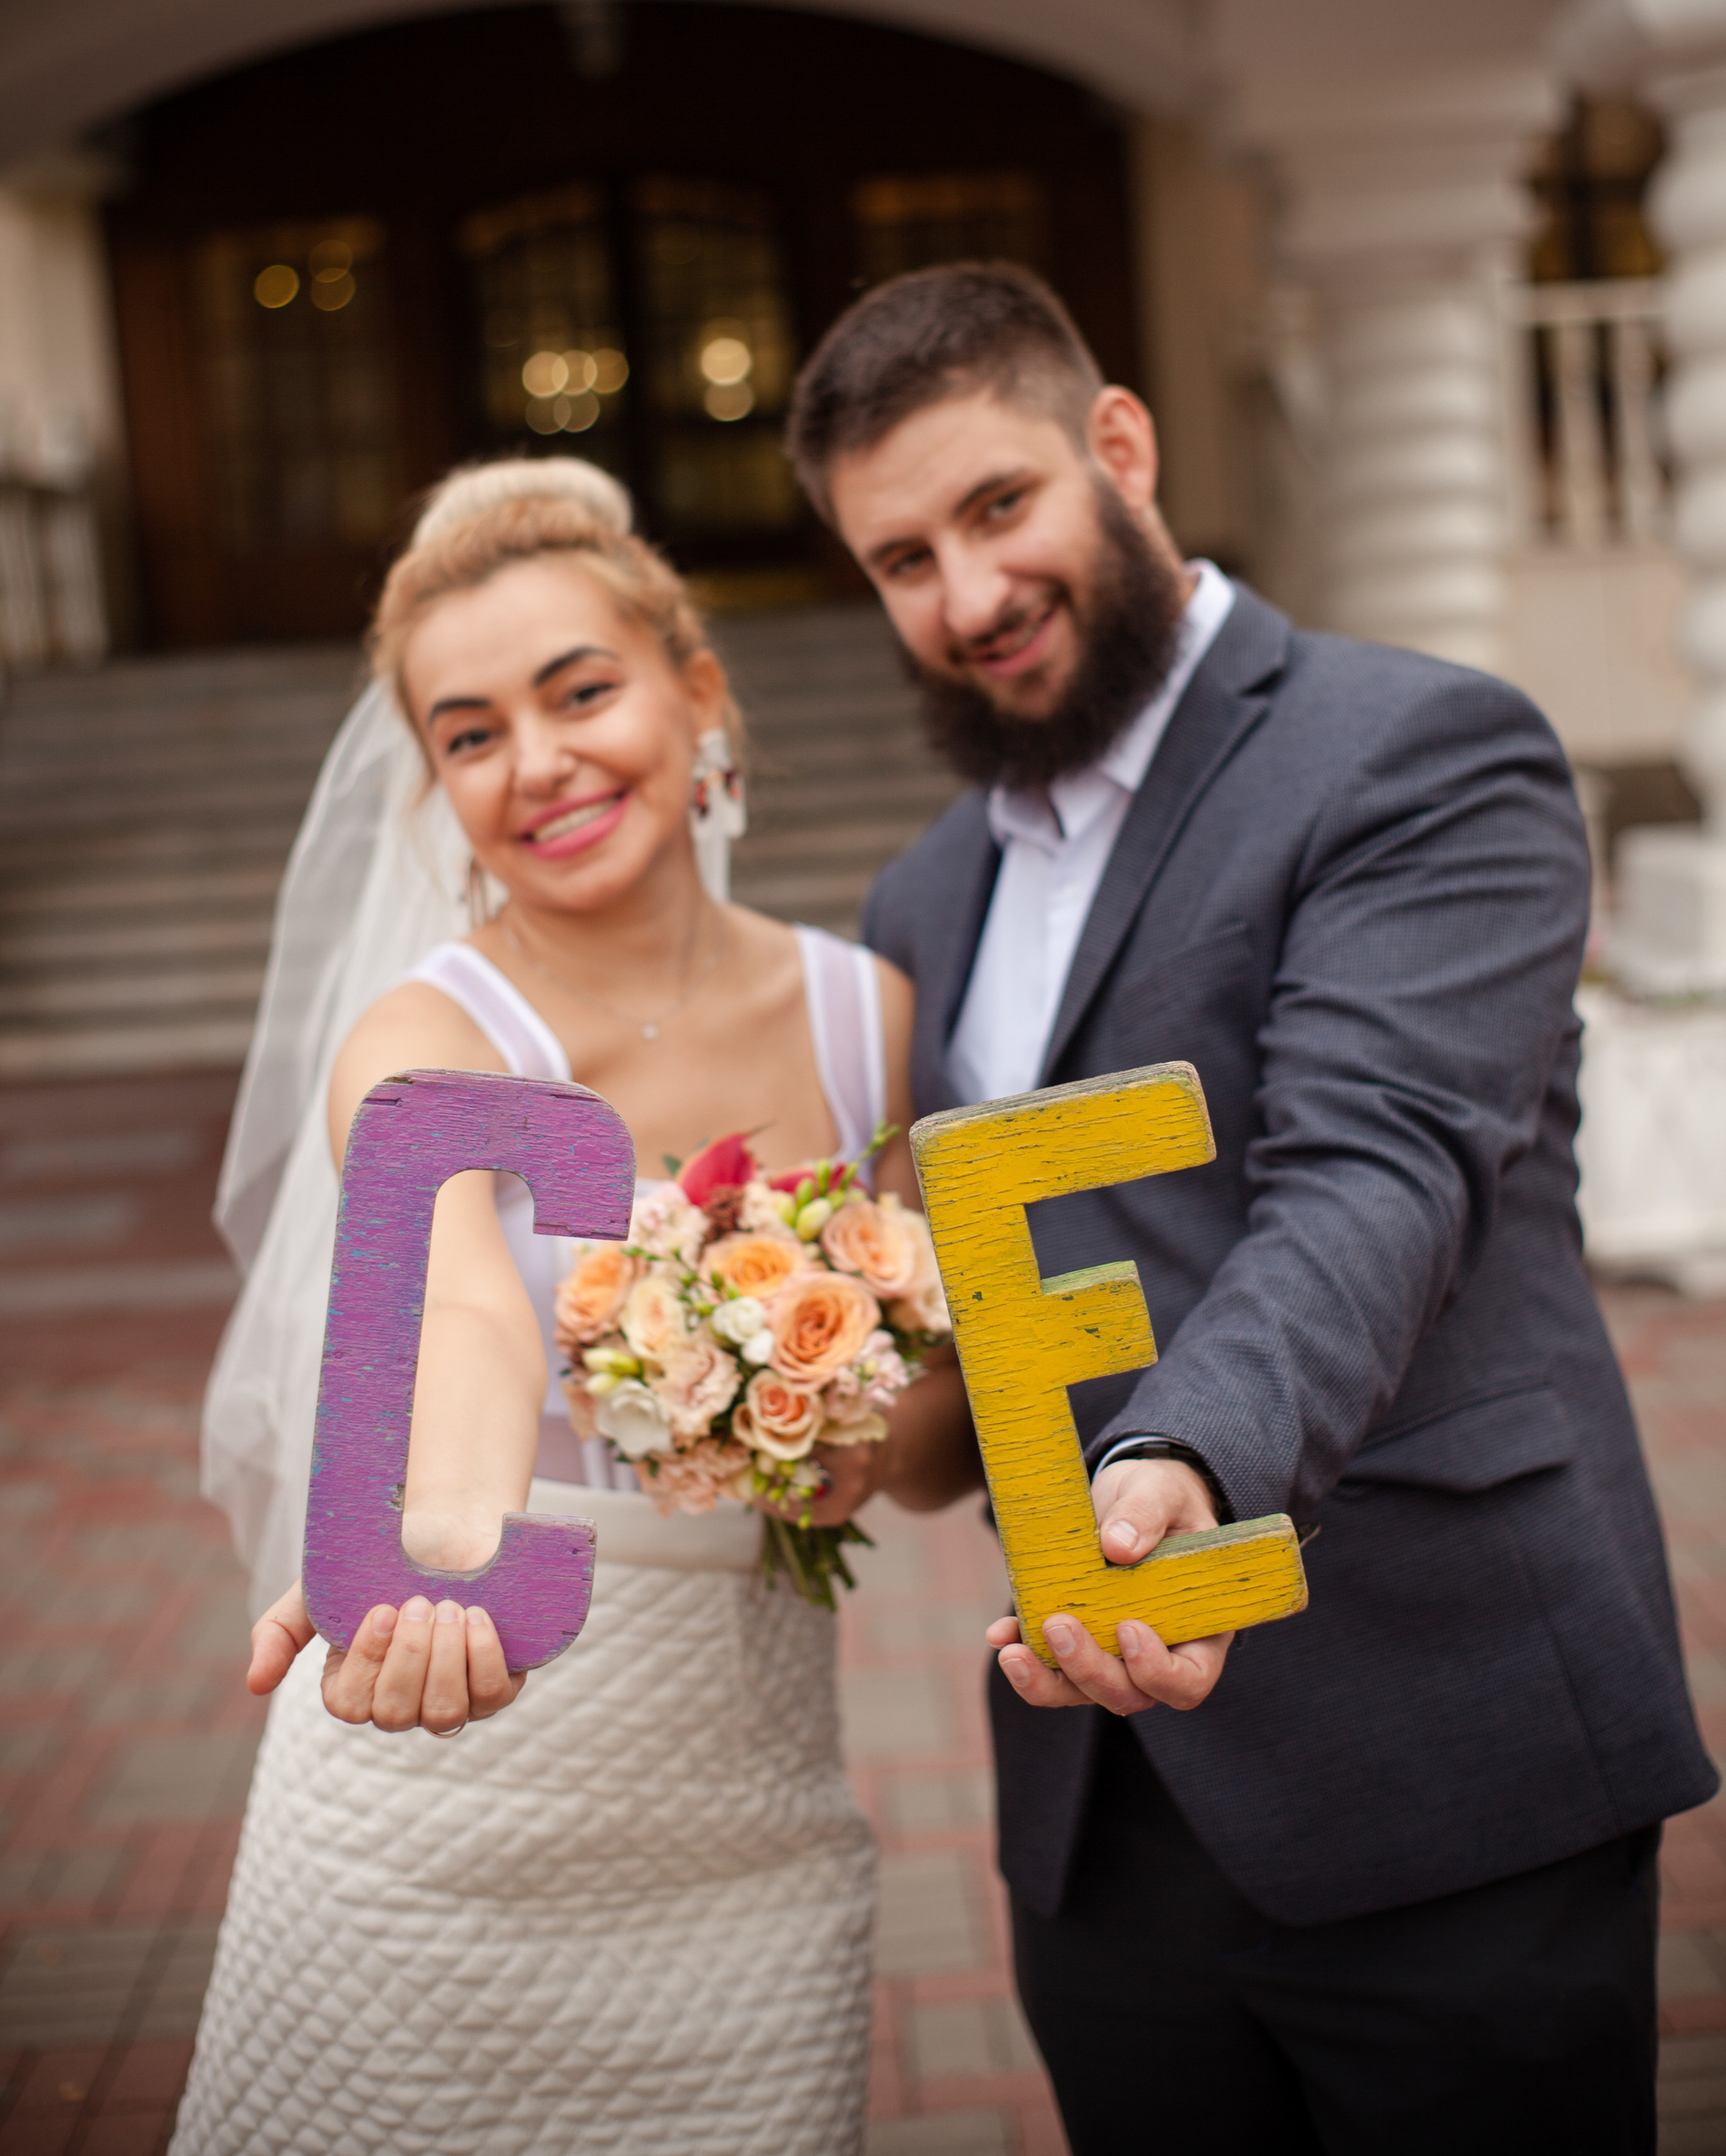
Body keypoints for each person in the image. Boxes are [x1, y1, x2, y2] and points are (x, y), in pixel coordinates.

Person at [783, 261, 1717, 2156]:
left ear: (1117, 446)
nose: (965, 599)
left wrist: (1189, 1461)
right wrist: (828, 1416)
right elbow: (998, 1295)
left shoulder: (1416, 753)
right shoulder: (919, 901)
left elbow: (1377, 1168)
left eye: (998, 508)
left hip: (1441, 1738)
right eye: (900, 562)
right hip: (1101, 1801)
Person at [172, 458, 973, 2156]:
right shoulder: (418, 1039)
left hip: (744, 1798)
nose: (533, 765)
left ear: (698, 698)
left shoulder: (868, 1014)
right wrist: (435, 1545)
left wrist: (850, 1438)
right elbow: (456, 1309)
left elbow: (934, 1441)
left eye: (579, 691)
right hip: (440, 1777)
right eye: (467, 735)